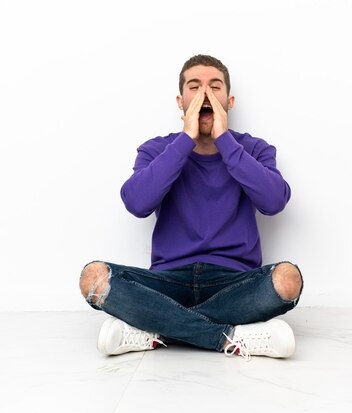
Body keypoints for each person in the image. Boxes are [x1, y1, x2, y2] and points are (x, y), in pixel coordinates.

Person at [79, 54, 302, 360]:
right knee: (93, 278)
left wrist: (225, 141)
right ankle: (229, 337)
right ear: (180, 100)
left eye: (215, 87)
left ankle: (153, 326)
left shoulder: (254, 148)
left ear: (230, 101)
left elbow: (274, 202)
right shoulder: (157, 149)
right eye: (194, 87)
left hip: (234, 282)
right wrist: (185, 139)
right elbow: (136, 203)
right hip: (168, 280)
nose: (205, 95)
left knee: (287, 280)